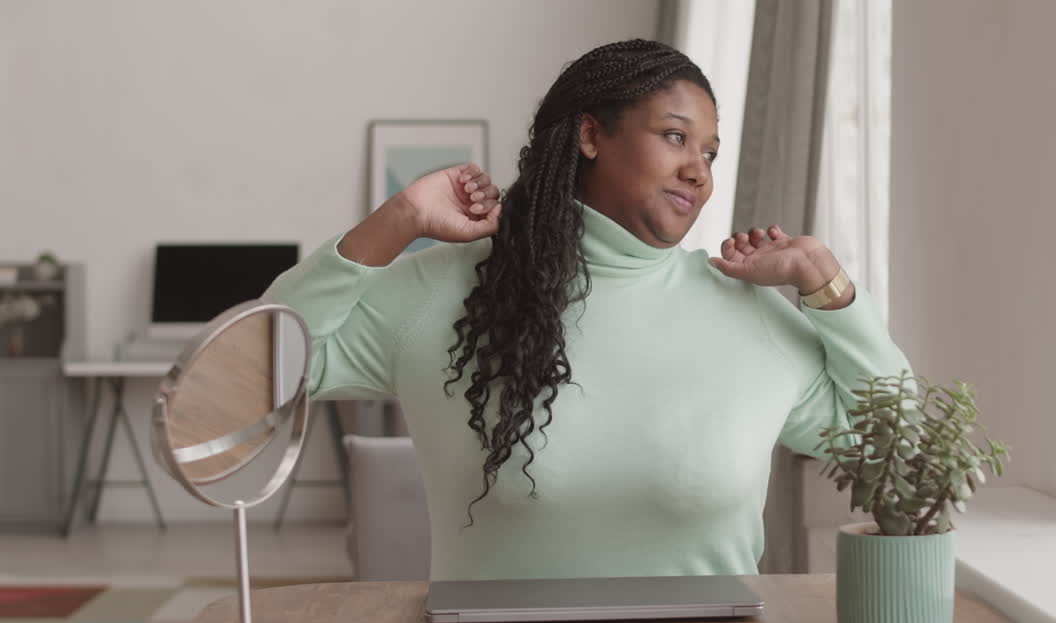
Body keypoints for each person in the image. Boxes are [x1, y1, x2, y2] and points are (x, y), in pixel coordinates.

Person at [265, 39, 912, 581]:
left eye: (709, 152)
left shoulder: (751, 316)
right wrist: (399, 219)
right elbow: (260, 368)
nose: (699, 172)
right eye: (675, 137)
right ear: (591, 134)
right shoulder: (442, 293)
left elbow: (901, 448)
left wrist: (832, 291)